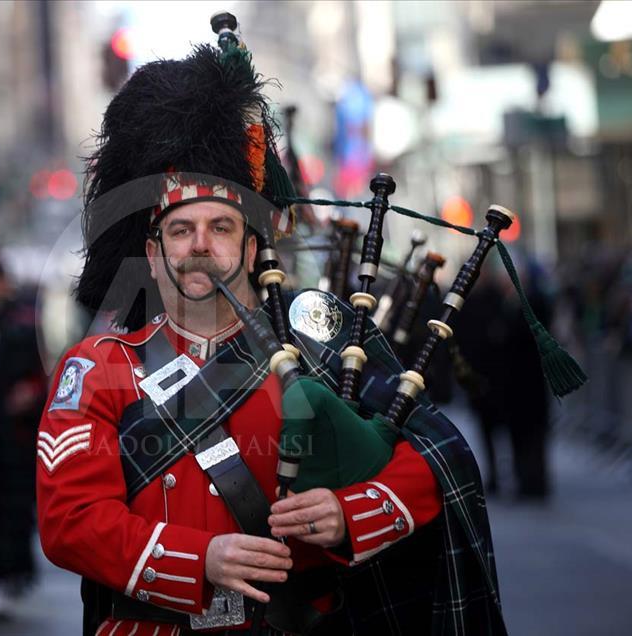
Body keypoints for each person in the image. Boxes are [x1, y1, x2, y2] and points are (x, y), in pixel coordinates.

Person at [37, 40, 506, 636]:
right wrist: (200, 560)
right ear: (153, 255)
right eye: (180, 230)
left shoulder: (319, 346)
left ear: (253, 247)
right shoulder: (98, 369)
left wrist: (348, 513)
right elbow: (70, 520)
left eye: (221, 227)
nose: (200, 244)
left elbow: (435, 455)